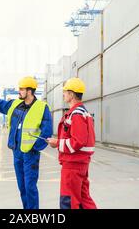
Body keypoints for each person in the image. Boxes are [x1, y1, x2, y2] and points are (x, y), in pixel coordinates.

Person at [0, 77, 53, 210]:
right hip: (17, 152)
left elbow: (47, 131)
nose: (19, 91)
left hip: (30, 154)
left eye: (22, 89)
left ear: (30, 91)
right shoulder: (15, 104)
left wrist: (34, 148)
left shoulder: (42, 108)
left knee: (30, 187)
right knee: (22, 187)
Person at [47, 78, 98, 209]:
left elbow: (78, 141)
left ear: (71, 94)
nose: (63, 94)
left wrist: (57, 143)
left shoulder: (76, 114)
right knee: (83, 201)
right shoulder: (83, 113)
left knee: (68, 201)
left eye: (65, 92)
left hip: (73, 165)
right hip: (80, 164)